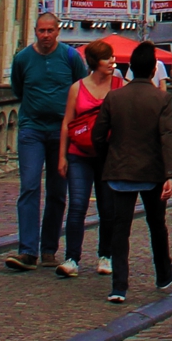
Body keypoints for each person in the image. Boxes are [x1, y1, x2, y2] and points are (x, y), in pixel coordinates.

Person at [98, 41, 172, 304]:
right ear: (153, 70)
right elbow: (167, 137)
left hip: (120, 169)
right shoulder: (161, 99)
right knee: (157, 224)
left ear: (131, 68)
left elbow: (98, 135)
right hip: (152, 171)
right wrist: (170, 174)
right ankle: (163, 272)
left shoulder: (114, 97)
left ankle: (119, 285)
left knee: (120, 228)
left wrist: (109, 157)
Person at [4, 11, 87, 271]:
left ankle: (49, 247)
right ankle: (27, 250)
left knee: (57, 191)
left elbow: (81, 88)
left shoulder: (71, 57)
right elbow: (18, 88)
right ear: (35, 31)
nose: (46, 35)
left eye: (50, 30)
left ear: (58, 31)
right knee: (29, 185)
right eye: (42, 31)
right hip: (32, 128)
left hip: (62, 131)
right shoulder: (23, 58)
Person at [53, 38, 121, 278]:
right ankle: (72, 258)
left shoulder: (119, 85)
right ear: (94, 62)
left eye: (112, 57)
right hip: (79, 154)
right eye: (106, 58)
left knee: (108, 208)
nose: (112, 61)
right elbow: (67, 122)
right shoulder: (78, 88)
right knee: (77, 205)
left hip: (108, 155)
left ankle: (106, 255)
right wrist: (62, 156)